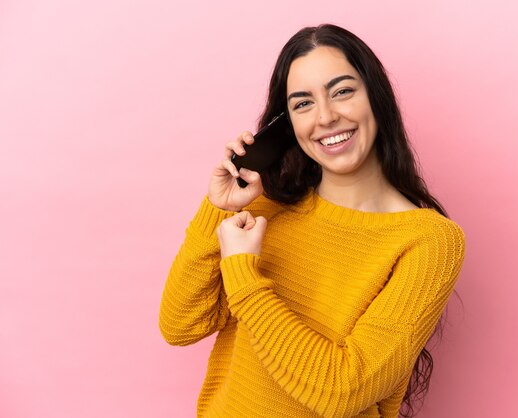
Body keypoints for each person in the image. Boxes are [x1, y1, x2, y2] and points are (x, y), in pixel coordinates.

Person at [159, 24, 466, 418]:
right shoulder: (264, 208)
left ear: (376, 97)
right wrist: (218, 208)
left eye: (342, 91)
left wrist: (244, 274)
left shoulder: (429, 241)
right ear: (286, 124)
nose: (326, 117)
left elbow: (343, 391)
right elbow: (180, 326)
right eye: (303, 103)